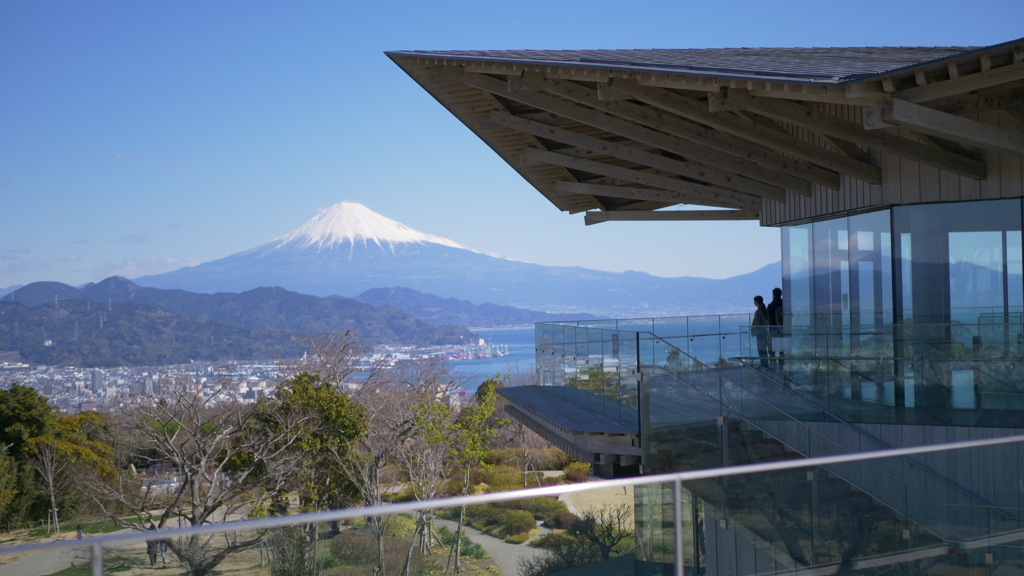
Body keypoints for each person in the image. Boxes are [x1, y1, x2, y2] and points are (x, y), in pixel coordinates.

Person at [766, 287, 784, 366]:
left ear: (773, 295)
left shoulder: (771, 305)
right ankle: (782, 363)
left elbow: (767, 318)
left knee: (771, 349)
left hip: (773, 330)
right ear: (781, 294)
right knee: (783, 348)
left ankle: (773, 363)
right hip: (783, 330)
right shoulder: (785, 304)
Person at [752, 295, 770, 368]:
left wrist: (754, 330)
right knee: (764, 348)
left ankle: (764, 363)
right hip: (765, 332)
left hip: (760, 333)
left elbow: (757, 324)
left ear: (756, 302)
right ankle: (765, 363)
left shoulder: (758, 312)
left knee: (761, 349)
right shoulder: (764, 310)